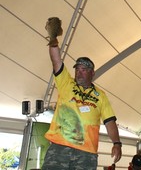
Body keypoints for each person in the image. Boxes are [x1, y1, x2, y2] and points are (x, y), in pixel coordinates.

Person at [42, 20, 122, 169]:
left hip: (86, 153)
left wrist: (117, 143)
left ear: (92, 73)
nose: (79, 72)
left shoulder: (101, 95)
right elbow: (56, 62)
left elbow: (110, 122)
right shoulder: (66, 83)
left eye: (83, 70)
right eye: (77, 69)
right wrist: (53, 42)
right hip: (59, 147)